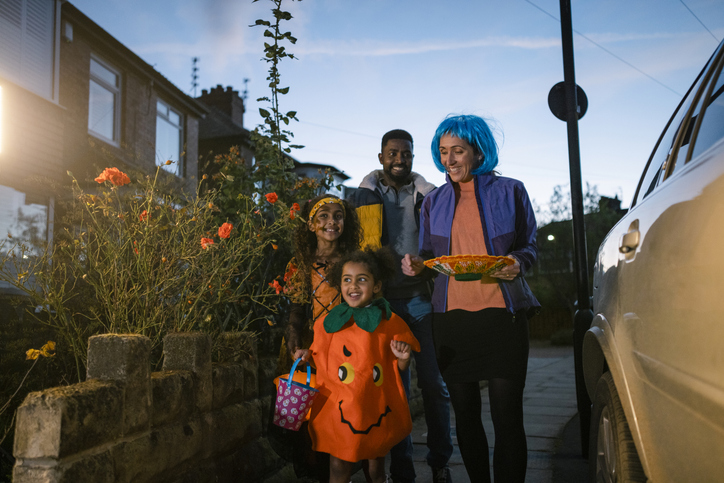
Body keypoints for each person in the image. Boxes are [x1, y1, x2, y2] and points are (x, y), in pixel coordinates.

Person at [402, 114, 540, 483]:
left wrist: (517, 261)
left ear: (478, 152)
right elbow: (431, 259)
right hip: (451, 321)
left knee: (507, 417)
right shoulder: (433, 203)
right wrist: (418, 265)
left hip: (502, 317)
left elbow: (529, 247)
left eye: (457, 151)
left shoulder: (512, 190)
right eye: (444, 151)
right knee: (464, 415)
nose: (449, 160)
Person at [349, 129, 453, 483]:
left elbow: (442, 239)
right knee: (395, 388)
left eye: (405, 154)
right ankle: (403, 469)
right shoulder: (366, 193)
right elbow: (361, 248)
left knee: (435, 386)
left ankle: (440, 462)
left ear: (412, 157)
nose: (399, 159)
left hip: (420, 298)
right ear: (381, 157)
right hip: (384, 306)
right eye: (392, 153)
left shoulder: (427, 194)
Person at [294, 247, 421, 483]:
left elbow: (398, 367)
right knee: (338, 464)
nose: (353, 286)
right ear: (339, 285)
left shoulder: (388, 322)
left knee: (375, 467)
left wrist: (403, 359)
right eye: (347, 280)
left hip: (374, 405)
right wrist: (305, 355)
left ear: (376, 286)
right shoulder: (329, 322)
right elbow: (319, 356)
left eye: (361, 280)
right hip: (340, 405)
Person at [278, 193, 362, 480]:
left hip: (345, 350)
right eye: (323, 216)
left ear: (345, 222)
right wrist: (293, 338)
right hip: (309, 351)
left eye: (338, 216)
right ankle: (313, 473)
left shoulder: (354, 261)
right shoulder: (299, 263)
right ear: (311, 225)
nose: (331, 222)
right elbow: (297, 307)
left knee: (342, 414)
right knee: (310, 417)